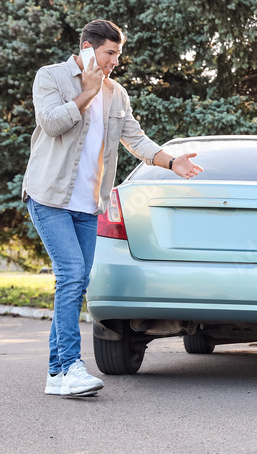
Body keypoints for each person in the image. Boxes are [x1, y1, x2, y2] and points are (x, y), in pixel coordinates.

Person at [21, 19, 203, 397]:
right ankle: (70, 366)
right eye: (110, 53)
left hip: (89, 204)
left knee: (75, 281)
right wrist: (86, 92)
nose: (115, 61)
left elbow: (134, 138)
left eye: (118, 54)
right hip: (49, 197)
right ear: (88, 48)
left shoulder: (117, 94)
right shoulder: (51, 77)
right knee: (71, 275)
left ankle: (57, 375)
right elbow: (51, 123)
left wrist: (172, 162)